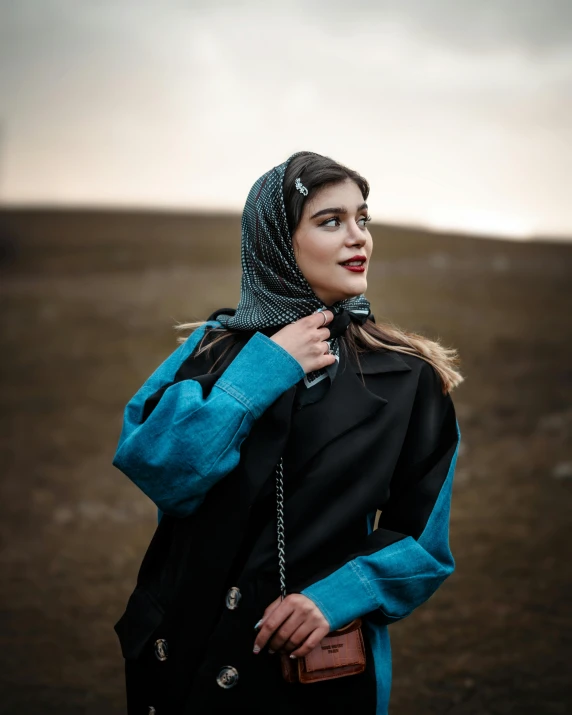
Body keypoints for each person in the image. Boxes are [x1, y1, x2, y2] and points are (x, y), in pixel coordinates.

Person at [112, 150, 464, 715]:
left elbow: (423, 541)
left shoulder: (406, 377)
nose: (358, 238)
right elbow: (161, 470)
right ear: (278, 239)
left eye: (362, 219)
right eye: (331, 222)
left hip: (309, 678)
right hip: (178, 660)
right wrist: (266, 369)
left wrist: (335, 598)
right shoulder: (212, 351)